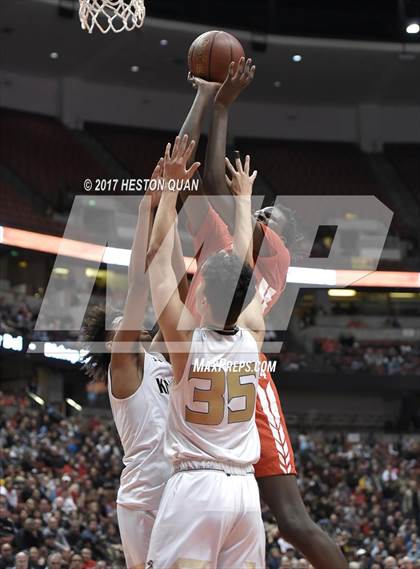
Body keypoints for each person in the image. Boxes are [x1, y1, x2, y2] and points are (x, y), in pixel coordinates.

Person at [176, 57, 348, 569]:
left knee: (293, 522)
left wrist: (221, 106)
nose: (255, 211)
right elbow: (197, 180)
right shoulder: (226, 245)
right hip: (200, 368)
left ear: (282, 239)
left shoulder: (272, 256)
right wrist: (213, 104)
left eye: (267, 215)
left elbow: (214, 181)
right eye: (257, 210)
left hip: (242, 380)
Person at [147, 135, 265, 568]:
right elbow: (244, 273)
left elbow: (158, 261)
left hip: (196, 486)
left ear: (205, 302)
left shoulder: (185, 343)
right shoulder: (254, 333)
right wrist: (243, 201)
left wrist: (169, 195)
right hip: (245, 493)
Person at [82, 162, 183, 569]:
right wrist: (146, 209)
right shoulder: (122, 368)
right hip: (141, 499)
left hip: (176, 492)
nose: (130, 319)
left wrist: (170, 208)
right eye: (119, 322)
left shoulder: (157, 354)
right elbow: (140, 285)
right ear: (111, 342)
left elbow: (174, 284)